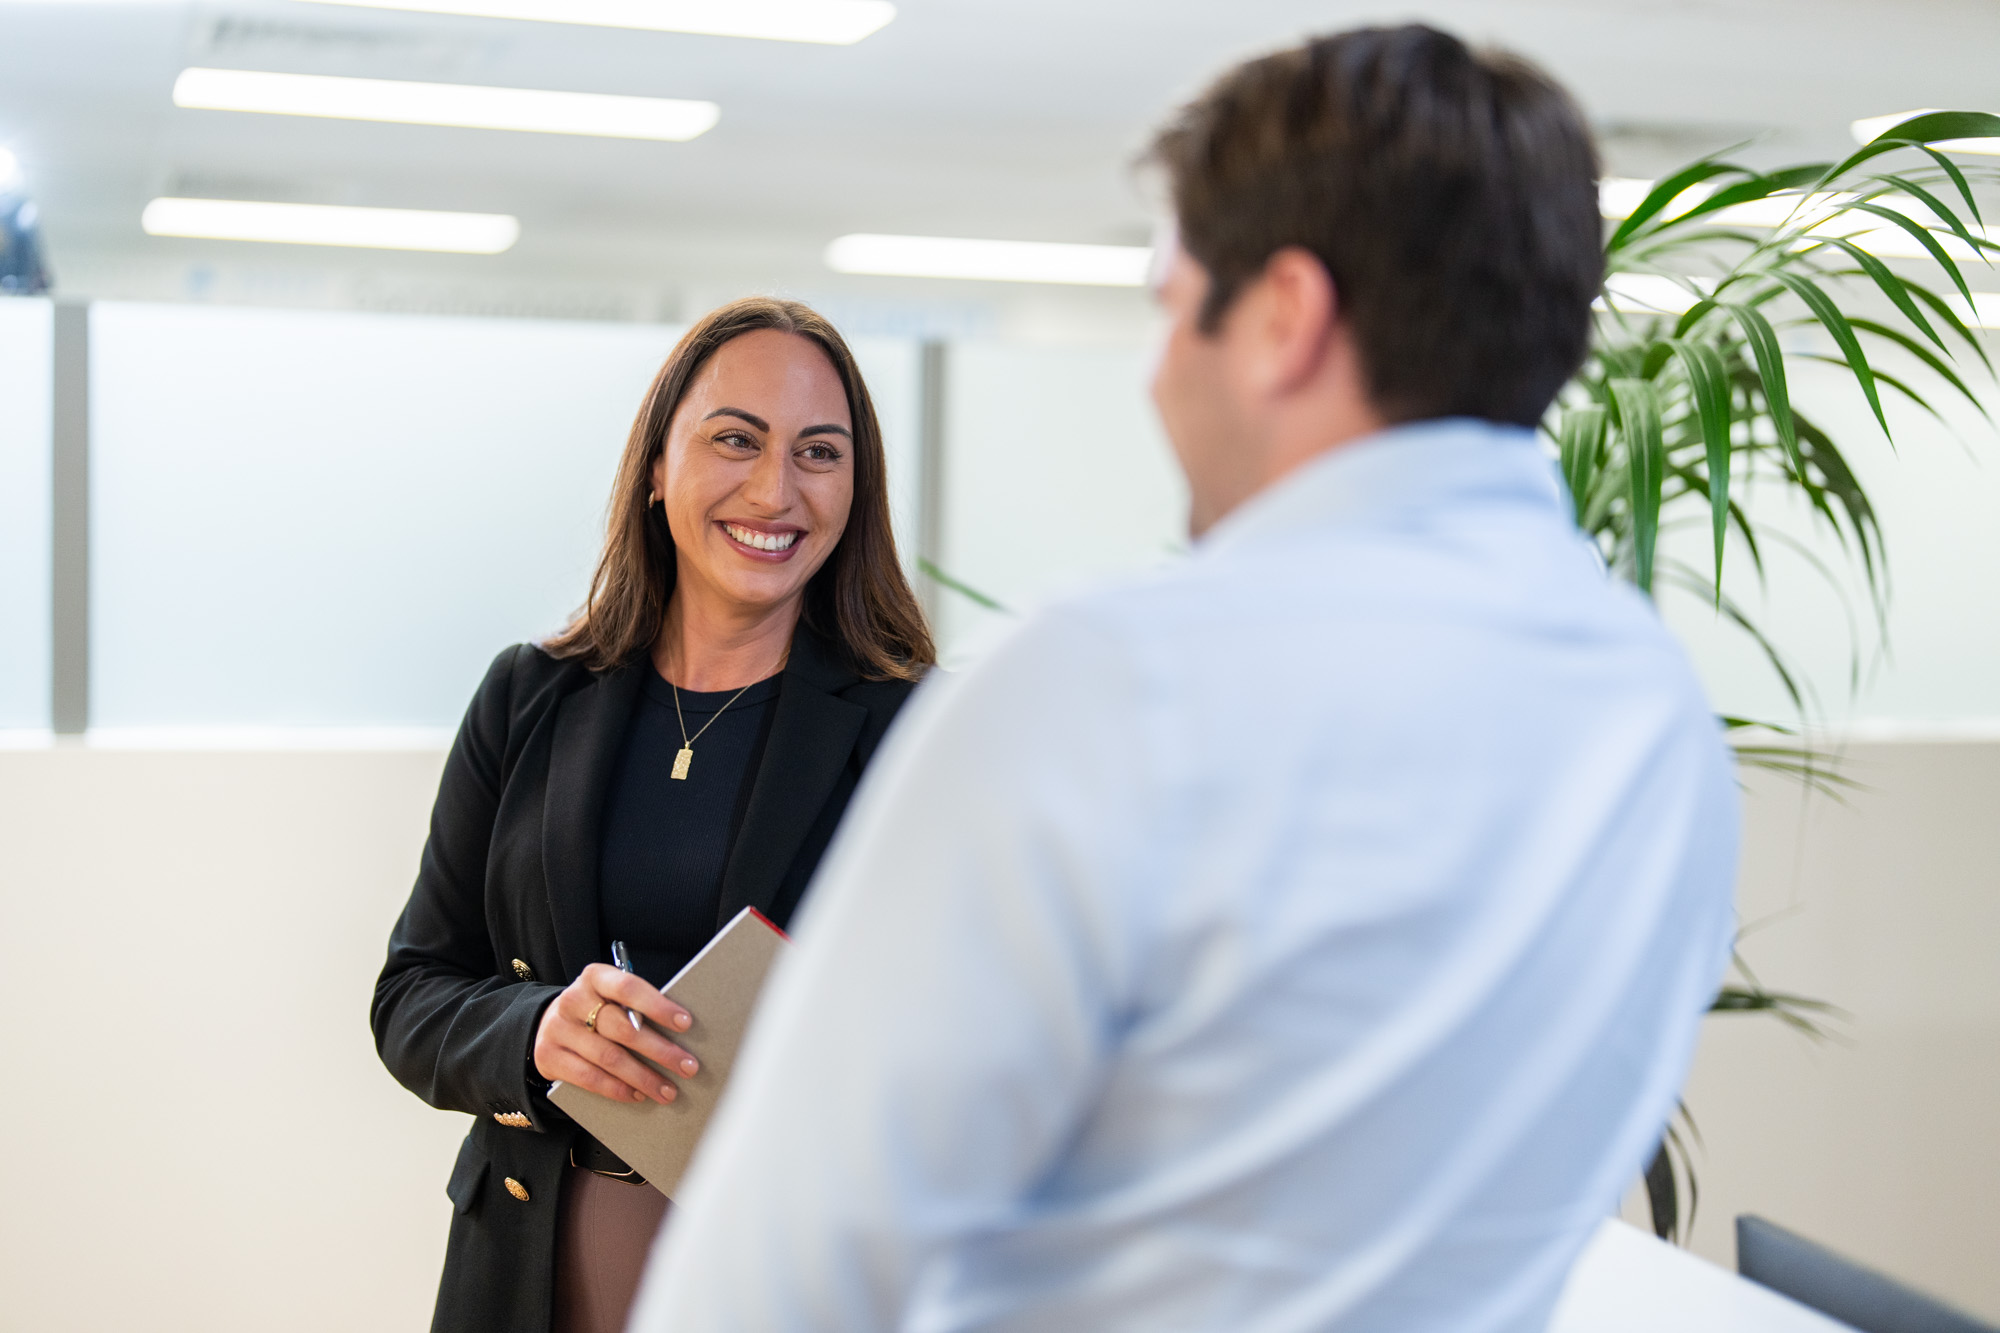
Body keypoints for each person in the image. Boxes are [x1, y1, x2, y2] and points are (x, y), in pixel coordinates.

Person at [629, 24, 1739, 1333]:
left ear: (1281, 319)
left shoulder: (1104, 695)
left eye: (1167, 307)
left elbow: (777, 1279)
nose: (1157, 377)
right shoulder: (1660, 726)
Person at [371, 297, 933, 1333]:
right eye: (735, 439)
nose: (776, 488)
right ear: (657, 467)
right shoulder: (530, 696)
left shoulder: (915, 732)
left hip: (788, 1274)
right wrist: (537, 1031)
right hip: (532, 1270)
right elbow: (411, 997)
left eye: (819, 451)